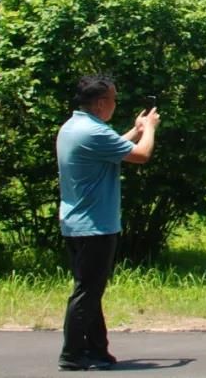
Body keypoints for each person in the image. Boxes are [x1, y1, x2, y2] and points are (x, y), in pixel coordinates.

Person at [56, 76, 159, 372]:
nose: (115, 104)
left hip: (78, 222)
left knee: (91, 290)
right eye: (113, 100)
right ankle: (73, 354)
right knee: (87, 292)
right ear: (101, 103)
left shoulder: (75, 127)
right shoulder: (92, 132)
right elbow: (141, 155)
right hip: (94, 226)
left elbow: (113, 147)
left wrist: (136, 130)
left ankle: (98, 351)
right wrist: (149, 131)